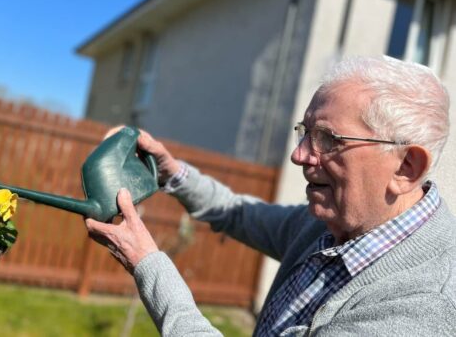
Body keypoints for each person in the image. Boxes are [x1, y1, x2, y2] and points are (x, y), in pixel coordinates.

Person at [85, 56, 456, 336]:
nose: (300, 155)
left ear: (406, 166)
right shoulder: (329, 226)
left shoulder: (421, 307)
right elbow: (237, 213)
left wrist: (149, 266)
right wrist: (172, 172)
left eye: (328, 139)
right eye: (305, 132)